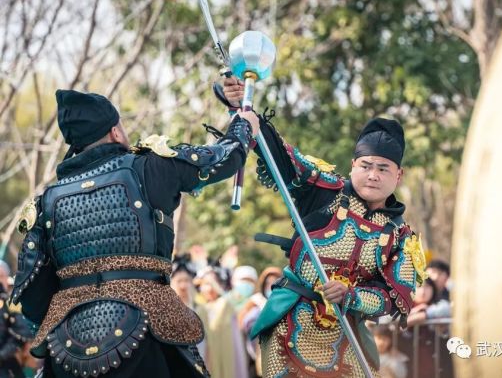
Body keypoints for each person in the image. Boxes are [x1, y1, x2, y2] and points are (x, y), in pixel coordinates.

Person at [11, 89, 258, 378]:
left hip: (69, 348)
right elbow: (222, 158)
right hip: (146, 331)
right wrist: (244, 124)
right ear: (115, 131)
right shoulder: (151, 166)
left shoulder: (46, 201)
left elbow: (32, 293)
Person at [219, 78, 426, 377]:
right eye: (366, 165)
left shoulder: (401, 237)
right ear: (353, 165)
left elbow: (394, 298)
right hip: (290, 325)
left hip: (347, 336)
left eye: (383, 169)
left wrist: (351, 296)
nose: (373, 175)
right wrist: (244, 107)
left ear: (399, 175)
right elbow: (280, 155)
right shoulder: (323, 189)